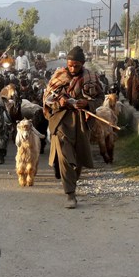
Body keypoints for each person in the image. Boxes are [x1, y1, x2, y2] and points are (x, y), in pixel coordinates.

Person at [42, 45, 104, 209]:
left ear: (82, 64)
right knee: (64, 155)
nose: (72, 69)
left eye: (76, 66)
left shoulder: (91, 77)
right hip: (61, 120)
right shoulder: (58, 76)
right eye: (70, 65)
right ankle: (70, 194)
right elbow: (47, 98)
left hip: (82, 121)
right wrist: (59, 102)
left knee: (78, 156)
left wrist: (88, 104)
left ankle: (72, 182)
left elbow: (100, 97)